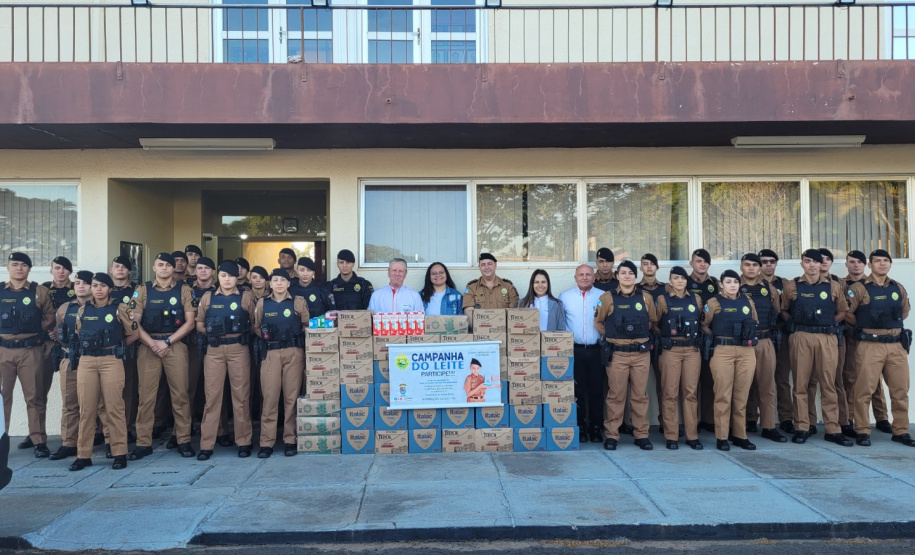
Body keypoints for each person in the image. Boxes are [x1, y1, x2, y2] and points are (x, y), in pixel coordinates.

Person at [128, 252, 196, 460]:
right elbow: (134, 323)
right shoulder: (142, 291)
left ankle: (183, 439)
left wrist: (166, 342)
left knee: (180, 395)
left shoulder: (184, 290)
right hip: (148, 346)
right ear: (154, 268)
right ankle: (143, 443)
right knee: (146, 397)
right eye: (160, 265)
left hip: (174, 346)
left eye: (168, 265)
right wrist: (153, 344)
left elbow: (190, 322)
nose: (165, 268)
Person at [780, 249, 852, 446]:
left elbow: (842, 311)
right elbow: (784, 309)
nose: (811, 265)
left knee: (828, 384)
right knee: (801, 384)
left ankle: (833, 429)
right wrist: (795, 324)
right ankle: (802, 427)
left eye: (815, 262)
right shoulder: (792, 286)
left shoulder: (834, 286)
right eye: (807, 261)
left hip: (826, 337)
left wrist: (829, 324)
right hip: (801, 337)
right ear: (802, 264)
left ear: (822, 265)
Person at [68, 273, 138, 471]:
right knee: (87, 409)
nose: (98, 289)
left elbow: (133, 333)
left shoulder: (120, 308)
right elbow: (78, 333)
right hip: (87, 361)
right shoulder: (83, 309)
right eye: (95, 286)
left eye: (103, 286)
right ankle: (83, 455)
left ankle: (119, 453)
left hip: (111, 360)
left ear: (110, 289)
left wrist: (119, 347)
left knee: (114, 408)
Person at [847, 250, 914, 447]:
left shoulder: (897, 287)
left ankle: (901, 430)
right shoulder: (859, 288)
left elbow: (904, 312)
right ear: (870, 264)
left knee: (900, 390)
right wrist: (863, 324)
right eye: (877, 261)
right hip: (870, 345)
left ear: (891, 264)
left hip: (896, 345)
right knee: (863, 390)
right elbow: (847, 313)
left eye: (886, 260)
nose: (882, 264)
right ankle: (862, 430)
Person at [594, 260, 659, 451]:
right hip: (617, 354)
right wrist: (615, 336)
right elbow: (598, 323)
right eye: (623, 273)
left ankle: (641, 435)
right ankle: (612, 435)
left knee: (640, 395)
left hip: (640, 354)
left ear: (635, 275)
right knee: (616, 395)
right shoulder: (607, 298)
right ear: (617, 275)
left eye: (630, 273)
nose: (627, 276)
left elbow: (652, 321)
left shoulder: (645, 298)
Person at [195, 261, 256, 460]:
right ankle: (206, 444)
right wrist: (211, 332)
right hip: (214, 350)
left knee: (241, 397)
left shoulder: (246, 297)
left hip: (239, 349)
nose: (227, 279)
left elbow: (255, 323)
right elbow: (199, 323)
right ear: (218, 277)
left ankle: (244, 441)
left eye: (230, 275)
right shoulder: (208, 297)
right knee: (212, 397)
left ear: (236, 278)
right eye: (223, 276)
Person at [0, 252, 55, 458]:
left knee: (35, 397)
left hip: (30, 350)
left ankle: (38, 440)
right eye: (15, 264)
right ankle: (1, 440)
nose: (19, 268)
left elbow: (50, 317)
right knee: (2, 399)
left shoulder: (39, 291)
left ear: (29, 269)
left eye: (24, 265)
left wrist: (35, 329)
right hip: (3, 350)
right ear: (8, 268)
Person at [254, 269, 309, 458]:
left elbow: (306, 326)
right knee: (269, 398)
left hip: (293, 352)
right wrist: (270, 336)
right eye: (275, 280)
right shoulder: (263, 303)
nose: (278, 283)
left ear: (288, 283)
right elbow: (256, 325)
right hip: (270, 352)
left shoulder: (298, 302)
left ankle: (290, 439)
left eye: (282, 280)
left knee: (291, 398)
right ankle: (266, 442)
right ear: (270, 283)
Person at [702, 269, 758, 451]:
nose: (732, 285)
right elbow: (704, 324)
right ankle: (722, 436)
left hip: (746, 351)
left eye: (735, 281)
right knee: (723, 395)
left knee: (742, 396)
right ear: (721, 284)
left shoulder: (747, 301)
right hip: (723, 350)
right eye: (728, 282)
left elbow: (754, 321)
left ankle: (740, 435)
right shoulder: (713, 302)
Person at [842, 250, 892, 435]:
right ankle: (850, 418)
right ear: (846, 264)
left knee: (876, 380)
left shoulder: (878, 284)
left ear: (866, 265)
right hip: (851, 337)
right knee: (851, 378)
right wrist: (861, 325)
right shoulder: (843, 285)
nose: (856, 265)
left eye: (860, 262)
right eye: (852, 262)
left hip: (876, 340)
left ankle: (882, 418)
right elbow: (844, 310)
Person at [654, 266, 703, 450]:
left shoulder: (695, 299)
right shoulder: (662, 299)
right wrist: (666, 337)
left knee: (690, 393)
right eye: (676, 278)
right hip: (671, 350)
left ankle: (692, 436)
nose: (680, 281)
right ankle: (671, 436)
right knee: (670, 393)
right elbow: (655, 323)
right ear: (670, 280)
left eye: (682, 278)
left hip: (692, 350)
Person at [47, 270, 94, 461]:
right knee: (70, 404)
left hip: (93, 360)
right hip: (70, 359)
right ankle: (68, 443)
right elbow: (59, 333)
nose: (81, 286)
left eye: (85, 283)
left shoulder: (101, 307)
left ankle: (103, 441)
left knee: (100, 405)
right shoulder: (65, 308)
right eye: (77, 283)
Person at [738, 253, 786, 443]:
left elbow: (777, 310)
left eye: (754, 265)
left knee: (767, 386)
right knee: (742, 387)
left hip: (765, 340)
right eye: (747, 265)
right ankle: (741, 425)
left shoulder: (769, 288)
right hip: (742, 343)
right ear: (741, 267)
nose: (751, 268)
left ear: (759, 268)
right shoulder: (733, 286)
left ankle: (768, 426)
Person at [559, 265, 603, 444]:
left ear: (594, 277)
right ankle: (580, 427)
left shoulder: (602, 296)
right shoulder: (565, 296)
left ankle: (595, 427)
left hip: (596, 350)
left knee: (596, 391)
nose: (584, 277)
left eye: (588, 274)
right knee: (577, 391)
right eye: (581, 275)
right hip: (574, 350)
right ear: (575, 277)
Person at [757, 249, 795, 435]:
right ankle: (751, 418)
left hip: (782, 335)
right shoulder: (751, 284)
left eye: (772, 261)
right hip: (760, 336)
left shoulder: (785, 284)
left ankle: (786, 418)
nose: (768, 264)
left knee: (781, 378)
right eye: (764, 261)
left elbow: (788, 307)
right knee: (754, 380)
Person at [39, 256, 75, 428]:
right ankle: (37, 435)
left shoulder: (78, 288)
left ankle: (75, 433)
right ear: (51, 270)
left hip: (70, 347)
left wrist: (60, 332)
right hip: (46, 344)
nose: (61, 272)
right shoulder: (42, 289)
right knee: (39, 391)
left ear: (70, 271)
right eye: (57, 268)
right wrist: (49, 331)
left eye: (65, 268)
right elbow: (36, 315)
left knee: (74, 392)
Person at [686, 248, 719, 434]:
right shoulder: (683, 282)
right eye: (698, 261)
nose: (702, 264)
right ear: (692, 263)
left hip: (709, 337)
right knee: (689, 384)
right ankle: (690, 422)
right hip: (689, 338)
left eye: (705, 261)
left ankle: (708, 420)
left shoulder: (715, 284)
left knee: (709, 380)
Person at [110, 256, 138, 441]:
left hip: (128, 346)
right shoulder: (102, 288)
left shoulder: (136, 291)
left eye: (124, 267)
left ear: (129, 271)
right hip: (104, 349)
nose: (120, 269)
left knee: (128, 389)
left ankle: (127, 427)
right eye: (116, 266)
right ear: (110, 270)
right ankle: (103, 431)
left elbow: (137, 318)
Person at [638, 253, 666, 427]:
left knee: (665, 385)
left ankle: (666, 423)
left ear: (657, 267)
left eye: (652, 264)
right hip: (641, 340)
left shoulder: (667, 288)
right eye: (645, 264)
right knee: (637, 386)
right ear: (640, 268)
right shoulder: (634, 289)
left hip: (662, 340)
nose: (649, 267)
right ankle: (637, 423)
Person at [462, 253, 519, 321]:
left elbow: (514, 311)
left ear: (495, 265)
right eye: (483, 264)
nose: (486, 267)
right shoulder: (471, 287)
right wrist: (478, 327)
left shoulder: (508, 286)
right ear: (479, 267)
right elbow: (469, 311)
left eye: (489, 264)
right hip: (480, 328)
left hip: (502, 329)